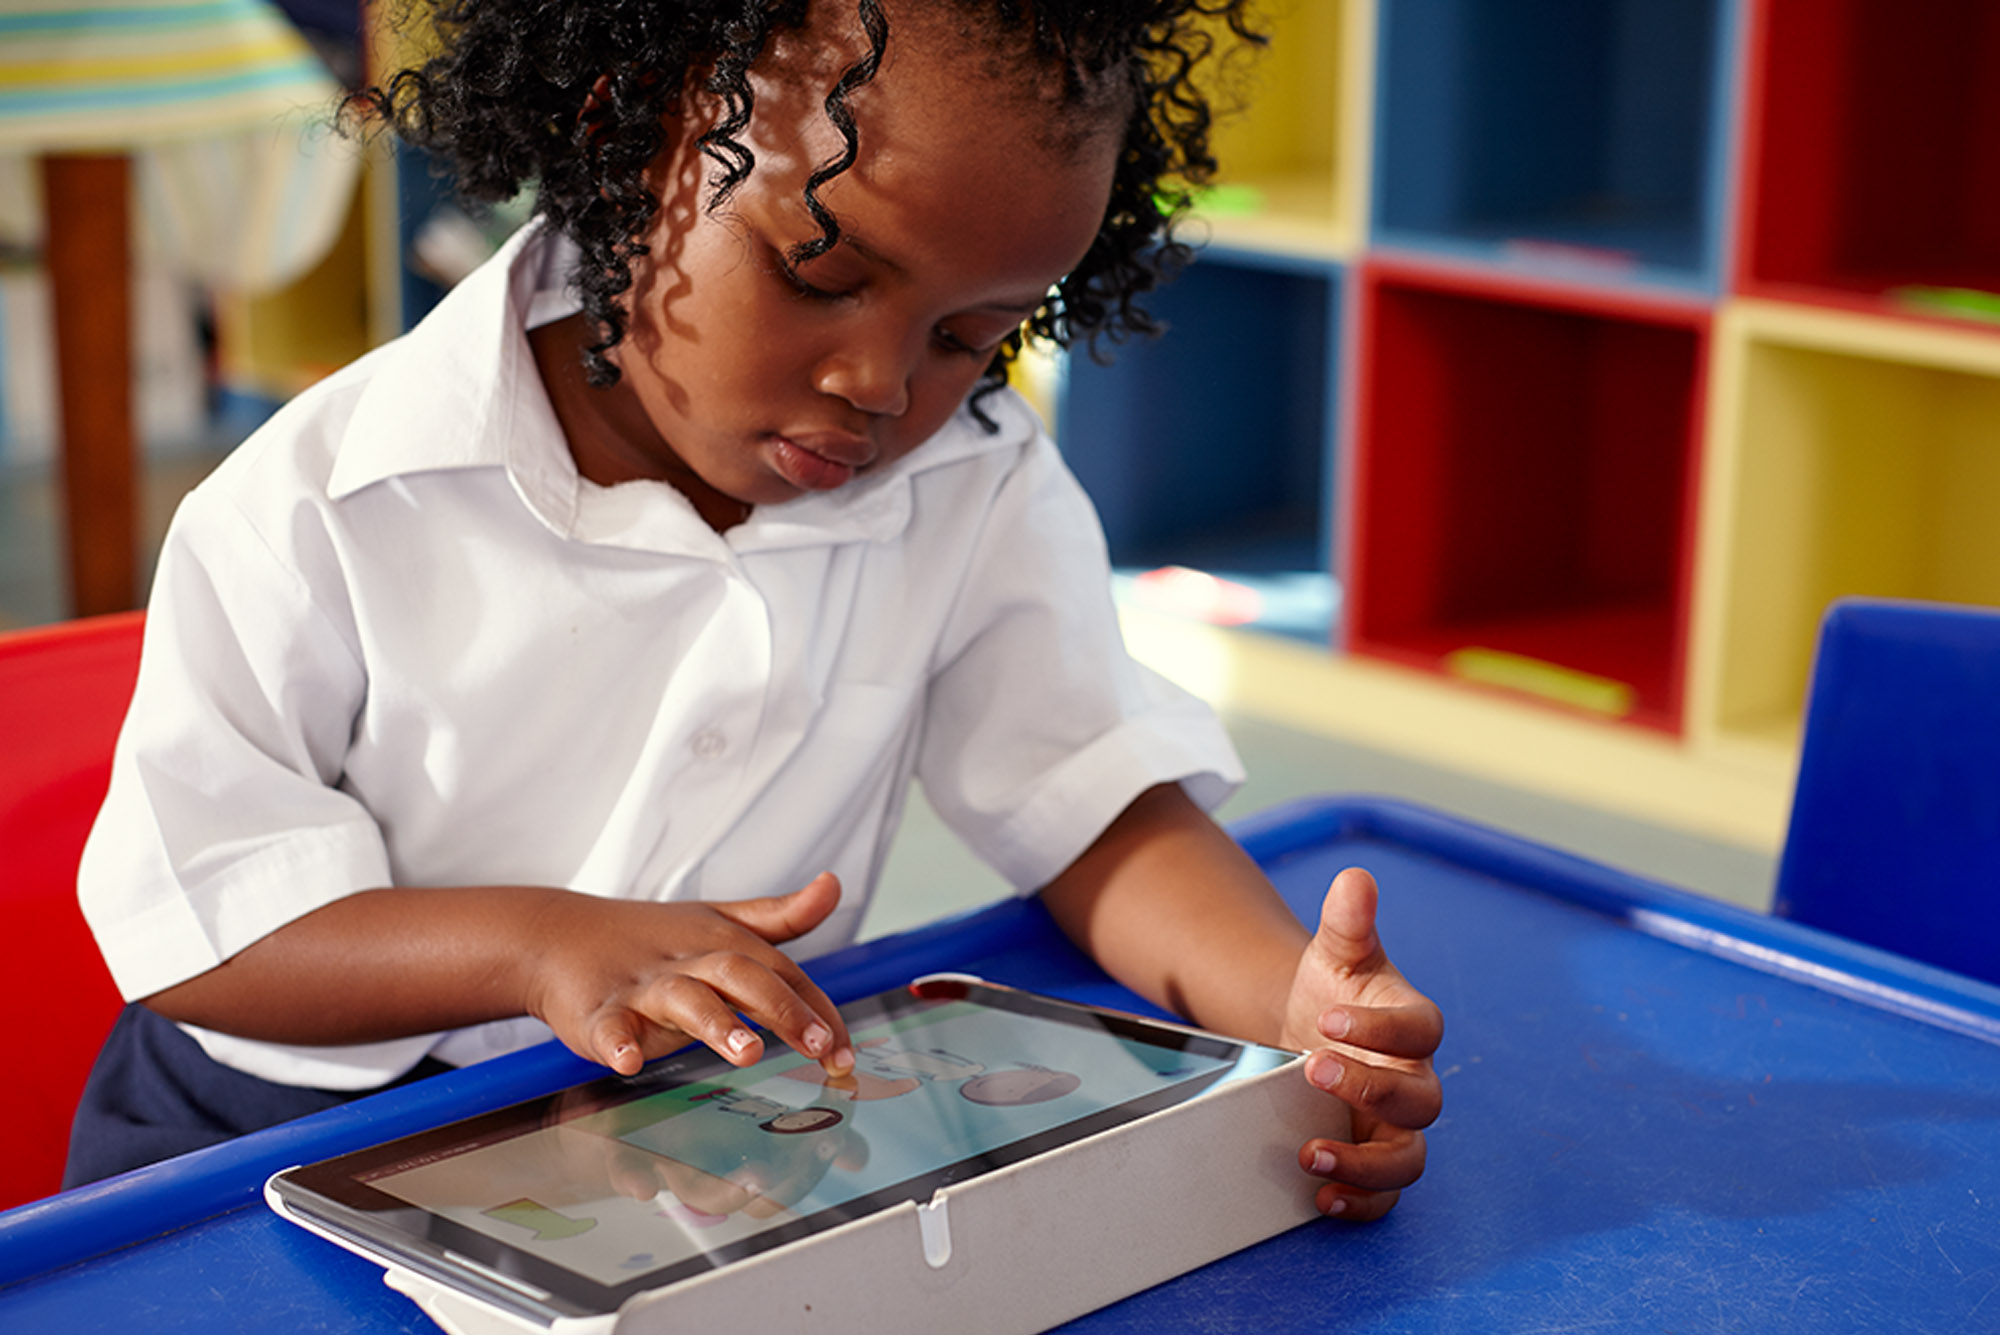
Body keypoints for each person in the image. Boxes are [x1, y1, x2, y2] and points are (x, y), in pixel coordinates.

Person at [70, 0, 1442, 1222]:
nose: (882, 383)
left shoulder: (972, 481)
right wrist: (542, 946)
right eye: (823, 275)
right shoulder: (327, 502)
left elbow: (1098, 806)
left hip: (690, 1139)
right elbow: (203, 931)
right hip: (267, 1147)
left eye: (974, 334)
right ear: (634, 130)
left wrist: (1299, 1016)